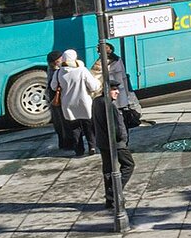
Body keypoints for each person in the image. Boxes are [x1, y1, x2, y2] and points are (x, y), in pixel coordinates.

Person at [91, 80, 135, 210]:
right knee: (128, 165)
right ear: (106, 90)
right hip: (115, 143)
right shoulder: (109, 105)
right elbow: (117, 127)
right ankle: (115, 192)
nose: (117, 92)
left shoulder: (96, 102)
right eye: (114, 89)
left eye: (117, 89)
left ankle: (110, 200)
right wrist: (122, 138)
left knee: (108, 170)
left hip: (102, 142)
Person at [50, 49, 100, 156]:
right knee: (88, 126)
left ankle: (79, 150)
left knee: (74, 128)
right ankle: (92, 146)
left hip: (68, 105)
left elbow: (53, 87)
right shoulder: (82, 70)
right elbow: (93, 86)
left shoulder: (59, 72)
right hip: (84, 103)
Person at [46, 51, 74, 151]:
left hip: (53, 100)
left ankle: (63, 143)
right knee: (65, 121)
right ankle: (68, 143)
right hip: (58, 99)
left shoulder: (50, 69)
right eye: (59, 60)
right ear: (55, 62)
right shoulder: (58, 71)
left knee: (58, 123)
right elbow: (54, 86)